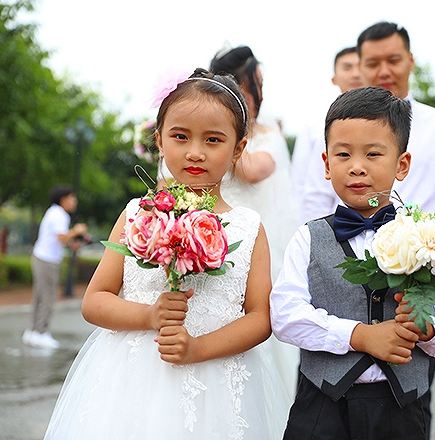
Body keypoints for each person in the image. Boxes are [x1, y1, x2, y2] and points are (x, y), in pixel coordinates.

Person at [43, 69, 290, 439]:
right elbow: (95, 301)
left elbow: (259, 317)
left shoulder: (249, 227)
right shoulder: (136, 214)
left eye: (213, 140)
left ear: (239, 148)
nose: (195, 151)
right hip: (132, 382)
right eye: (180, 136)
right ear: (159, 141)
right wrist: (150, 314)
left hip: (219, 383)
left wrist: (197, 349)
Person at [270, 86, 435, 439]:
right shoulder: (308, 238)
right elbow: (285, 315)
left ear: (402, 164)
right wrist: (359, 335)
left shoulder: (431, 239)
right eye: (343, 154)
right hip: (321, 405)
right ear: (326, 165)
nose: (357, 167)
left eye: (374, 154)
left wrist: (427, 328)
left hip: (401, 409)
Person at [303, 22, 435, 230]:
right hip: (345, 248)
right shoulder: (337, 125)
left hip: (422, 255)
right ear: (360, 66)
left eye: (393, 61)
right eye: (373, 63)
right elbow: (316, 199)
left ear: (411, 61)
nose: (384, 72)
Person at [210, 45, 301, 397]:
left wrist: (216, 136)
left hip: (253, 253)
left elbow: (251, 171)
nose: (253, 94)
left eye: (256, 86)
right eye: (249, 85)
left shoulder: (269, 137)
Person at [209, 45, 299, 281]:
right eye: (255, 84)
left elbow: (252, 171)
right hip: (209, 240)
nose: (261, 94)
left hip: (258, 247)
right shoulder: (200, 140)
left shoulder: (269, 137)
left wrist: (221, 136)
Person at [292, 46, 362, 217]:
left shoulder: (386, 123)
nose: (356, 74)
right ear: (334, 79)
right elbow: (301, 183)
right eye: (347, 67)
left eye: (361, 66)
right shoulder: (315, 125)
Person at [22, 185, 87, 350]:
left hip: (41, 257)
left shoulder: (54, 213)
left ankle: (33, 331)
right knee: (48, 297)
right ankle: (41, 332)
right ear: (63, 199)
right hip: (47, 261)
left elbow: (61, 238)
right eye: (72, 197)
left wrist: (71, 242)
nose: (75, 201)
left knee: (40, 296)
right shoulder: (59, 214)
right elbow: (61, 236)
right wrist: (77, 230)